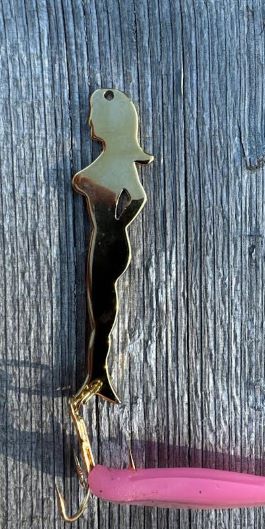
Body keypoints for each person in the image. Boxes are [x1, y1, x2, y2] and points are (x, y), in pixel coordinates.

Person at [72, 89, 153, 404]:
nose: (91, 121)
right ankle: (97, 374)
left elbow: (138, 197)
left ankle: (97, 375)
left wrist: (115, 224)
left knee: (101, 313)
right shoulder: (115, 163)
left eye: (95, 115)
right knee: (103, 312)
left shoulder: (114, 163)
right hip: (111, 242)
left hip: (109, 246)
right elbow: (137, 196)